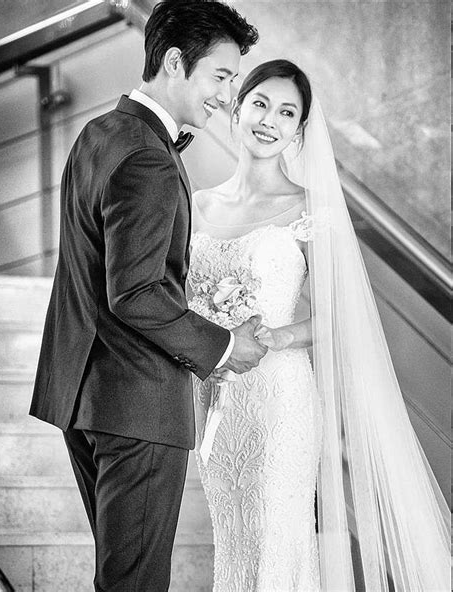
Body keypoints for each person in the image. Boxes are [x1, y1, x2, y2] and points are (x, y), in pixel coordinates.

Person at [29, 2, 266, 590]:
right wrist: (221, 346)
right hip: (136, 404)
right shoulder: (148, 156)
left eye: (234, 79)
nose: (227, 95)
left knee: (121, 578)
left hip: (86, 395)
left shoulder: (98, 133)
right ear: (175, 62)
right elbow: (135, 291)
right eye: (220, 75)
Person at [189, 60, 450, 591]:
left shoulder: (309, 210)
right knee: (233, 545)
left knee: (276, 547)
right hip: (214, 402)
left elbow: (343, 316)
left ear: (299, 130)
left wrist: (279, 336)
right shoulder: (197, 204)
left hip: (281, 400)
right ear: (237, 108)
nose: (269, 120)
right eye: (260, 103)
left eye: (287, 112)